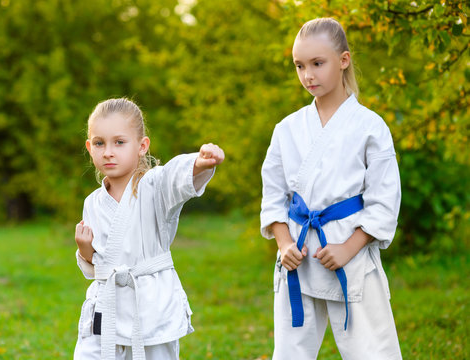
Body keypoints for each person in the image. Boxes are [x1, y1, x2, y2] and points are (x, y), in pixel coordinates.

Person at [260, 18, 402, 359]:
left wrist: (349, 248)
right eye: (299, 65)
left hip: (349, 255)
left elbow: (384, 201)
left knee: (373, 351)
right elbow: (274, 195)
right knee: (290, 352)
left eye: (317, 64)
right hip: (299, 256)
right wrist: (283, 244)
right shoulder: (287, 129)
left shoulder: (370, 127)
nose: (308, 75)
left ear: (343, 60)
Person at [73, 98, 224, 360]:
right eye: (99, 143)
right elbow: (96, 265)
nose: (108, 151)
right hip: (106, 306)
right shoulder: (92, 203)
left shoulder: (154, 186)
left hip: (151, 304)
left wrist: (198, 163)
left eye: (119, 142)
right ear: (89, 147)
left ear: (142, 146)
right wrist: (85, 251)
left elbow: (175, 176)